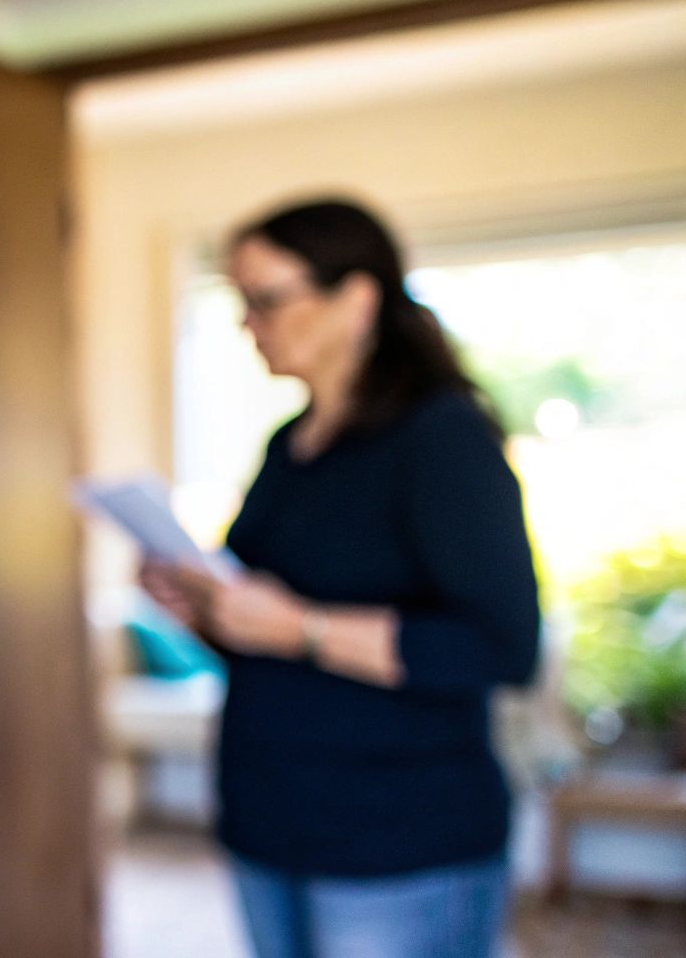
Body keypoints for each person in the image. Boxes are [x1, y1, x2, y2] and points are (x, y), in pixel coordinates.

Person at [139, 199, 541, 958]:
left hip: (398, 837)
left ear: (356, 299)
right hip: (271, 816)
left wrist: (304, 629)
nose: (248, 323)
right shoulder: (289, 445)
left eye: (265, 299)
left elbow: (501, 646)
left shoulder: (441, 438)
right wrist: (198, 606)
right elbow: (255, 628)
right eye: (240, 303)